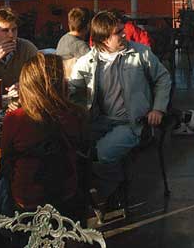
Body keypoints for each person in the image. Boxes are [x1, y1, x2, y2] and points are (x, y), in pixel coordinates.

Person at [69, 11, 171, 198]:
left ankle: (109, 191)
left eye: (122, 30)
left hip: (133, 123)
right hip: (99, 121)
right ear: (104, 39)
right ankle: (104, 187)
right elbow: (72, 89)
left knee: (101, 154)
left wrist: (158, 108)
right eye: (118, 32)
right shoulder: (88, 62)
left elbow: (163, 78)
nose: (124, 35)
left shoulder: (141, 54)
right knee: (72, 149)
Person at [0, 53, 88, 219]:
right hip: (66, 194)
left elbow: (6, 155)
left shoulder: (14, 118)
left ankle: (3, 229)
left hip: (27, 199)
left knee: (2, 179)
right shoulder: (77, 115)